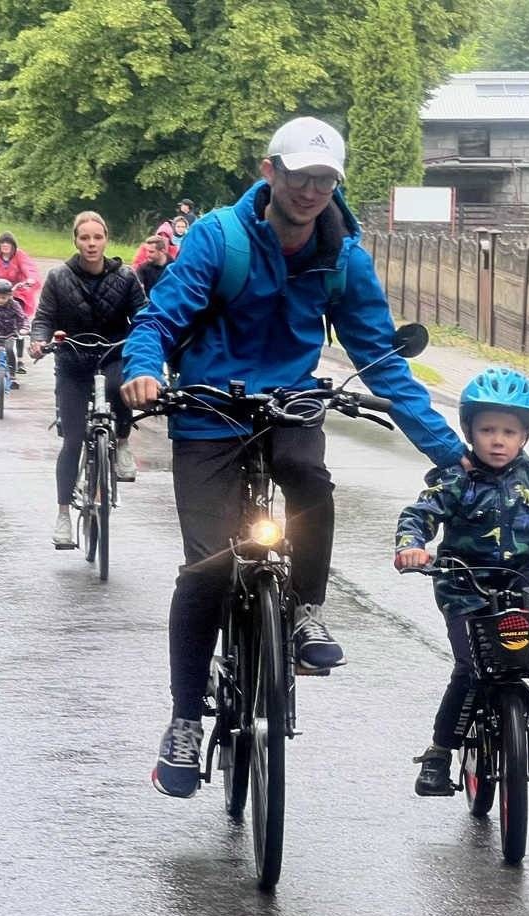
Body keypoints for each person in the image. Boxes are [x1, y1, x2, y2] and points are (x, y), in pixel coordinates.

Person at [121, 115, 468, 799]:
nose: (312, 190)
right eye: (301, 176)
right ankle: (185, 721)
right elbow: (158, 319)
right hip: (209, 408)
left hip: (289, 404)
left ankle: (306, 606)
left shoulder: (342, 255)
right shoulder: (218, 239)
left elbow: (382, 361)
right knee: (208, 566)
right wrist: (143, 368)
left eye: (325, 180)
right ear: (269, 171)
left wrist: (453, 455)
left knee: (309, 475)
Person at [393, 367, 529, 796]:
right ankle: (440, 753)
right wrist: (412, 546)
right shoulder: (455, 479)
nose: (498, 440)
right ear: (469, 431)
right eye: (487, 429)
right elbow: (418, 515)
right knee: (471, 666)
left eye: (509, 432)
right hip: (464, 582)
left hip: (519, 576)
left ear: (525, 437)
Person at [29, 211, 146, 547]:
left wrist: (141, 342)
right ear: (75, 241)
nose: (91, 244)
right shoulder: (58, 277)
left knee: (118, 384)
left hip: (112, 355)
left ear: (106, 239)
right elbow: (43, 319)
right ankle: (64, 515)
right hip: (73, 362)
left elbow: (144, 317)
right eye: (85, 238)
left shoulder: (125, 277)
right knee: (74, 438)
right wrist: (41, 341)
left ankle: (122, 443)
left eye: (97, 237)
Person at [0, 231, 41, 372]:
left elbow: (29, 268)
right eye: (2, 243)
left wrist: (30, 279)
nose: (5, 246)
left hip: (16, 291)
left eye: (8, 243)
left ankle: (20, 359)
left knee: (20, 320)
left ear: (13, 246)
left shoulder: (20, 255)